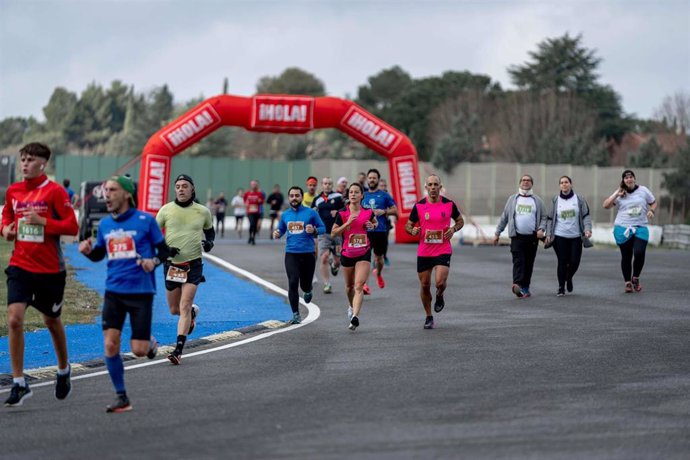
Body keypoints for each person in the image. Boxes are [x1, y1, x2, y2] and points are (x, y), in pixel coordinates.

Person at [78, 175, 169, 413]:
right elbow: (99, 254)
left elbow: (165, 250)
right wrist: (88, 251)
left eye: (112, 190)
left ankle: (149, 342)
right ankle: (121, 397)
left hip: (141, 292)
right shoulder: (106, 225)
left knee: (139, 351)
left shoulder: (146, 221)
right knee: (110, 345)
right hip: (113, 292)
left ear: (127, 194)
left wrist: (154, 261)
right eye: (105, 190)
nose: (106, 194)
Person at [1, 142, 79, 407]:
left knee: (51, 320)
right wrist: (7, 231)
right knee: (14, 319)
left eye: (30, 160)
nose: (24, 164)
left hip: (50, 270)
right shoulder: (13, 190)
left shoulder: (55, 192)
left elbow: (72, 226)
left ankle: (63, 369)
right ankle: (19, 381)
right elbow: (6, 219)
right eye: (22, 159)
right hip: (21, 266)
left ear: (43, 164)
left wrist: (43, 221)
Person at [156, 174, 215, 365]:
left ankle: (178, 350)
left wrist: (210, 243)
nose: (181, 189)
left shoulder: (203, 211)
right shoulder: (166, 210)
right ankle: (193, 314)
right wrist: (165, 250)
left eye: (185, 186)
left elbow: (210, 231)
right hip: (172, 265)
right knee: (174, 309)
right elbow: (154, 235)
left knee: (184, 305)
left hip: (193, 264)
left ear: (192, 189)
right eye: (178, 186)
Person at [405, 175, 464, 329]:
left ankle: (440, 294)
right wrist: (413, 230)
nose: (432, 187)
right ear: (426, 187)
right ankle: (428, 316)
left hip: (443, 248)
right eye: (430, 184)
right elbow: (408, 225)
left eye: (435, 184)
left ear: (440, 187)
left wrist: (453, 229)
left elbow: (460, 221)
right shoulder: (419, 206)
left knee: (439, 282)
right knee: (425, 285)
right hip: (424, 251)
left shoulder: (449, 204)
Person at [273, 186, 325, 324]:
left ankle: (308, 290)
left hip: (308, 254)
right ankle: (296, 314)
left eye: (297, 195)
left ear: (302, 197)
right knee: (293, 282)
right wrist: (277, 233)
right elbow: (281, 229)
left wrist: (314, 229)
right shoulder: (285, 215)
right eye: (291, 195)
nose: (294, 198)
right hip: (291, 254)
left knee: (305, 285)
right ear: (289, 198)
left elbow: (323, 228)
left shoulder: (311, 213)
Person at [331, 183, 377, 331]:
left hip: (364, 252)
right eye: (351, 192)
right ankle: (351, 306)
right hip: (347, 253)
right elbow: (334, 233)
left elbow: (374, 223)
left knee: (358, 286)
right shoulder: (343, 213)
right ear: (348, 195)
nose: (353, 194)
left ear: (362, 195)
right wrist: (348, 223)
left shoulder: (368, 212)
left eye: (357, 192)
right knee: (349, 287)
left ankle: (355, 316)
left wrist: (372, 226)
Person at [493, 174, 547, 298]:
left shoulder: (537, 201)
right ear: (519, 183)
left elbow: (544, 217)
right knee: (518, 260)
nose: (525, 182)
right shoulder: (513, 199)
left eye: (528, 180)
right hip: (517, 236)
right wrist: (497, 233)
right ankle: (517, 284)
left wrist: (541, 229)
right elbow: (505, 217)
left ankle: (525, 287)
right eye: (523, 180)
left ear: (532, 183)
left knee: (529, 263)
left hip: (532, 237)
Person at [602, 169, 657, 293]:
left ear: (634, 178)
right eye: (626, 178)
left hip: (640, 227)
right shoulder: (620, 192)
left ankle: (635, 277)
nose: (629, 179)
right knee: (626, 256)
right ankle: (627, 282)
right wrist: (616, 194)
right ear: (623, 180)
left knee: (639, 252)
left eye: (631, 177)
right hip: (623, 228)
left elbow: (653, 203)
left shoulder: (643, 190)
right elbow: (605, 205)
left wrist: (651, 211)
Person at [544, 176, 593, 296]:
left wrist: (587, 229)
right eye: (561, 183)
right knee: (562, 261)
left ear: (571, 184)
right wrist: (549, 234)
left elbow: (586, 215)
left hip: (576, 236)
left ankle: (569, 277)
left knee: (574, 261)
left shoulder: (579, 199)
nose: (564, 184)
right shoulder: (555, 200)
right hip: (559, 236)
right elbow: (550, 219)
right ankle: (561, 287)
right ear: (559, 186)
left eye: (566, 182)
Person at [363, 168, 398, 291]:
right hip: (365, 231)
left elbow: (395, 210)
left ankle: (377, 273)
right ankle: (365, 285)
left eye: (374, 178)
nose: (372, 180)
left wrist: (384, 211)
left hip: (380, 231)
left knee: (379, 258)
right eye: (370, 178)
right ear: (367, 179)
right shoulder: (363, 195)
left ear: (378, 180)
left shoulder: (384, 195)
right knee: (365, 258)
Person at [312, 177, 345, 294]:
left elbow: (346, 209)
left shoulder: (338, 197)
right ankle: (327, 284)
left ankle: (334, 265)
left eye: (329, 184)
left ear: (332, 185)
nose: (327, 185)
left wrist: (338, 212)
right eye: (325, 183)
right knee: (324, 257)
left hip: (337, 233)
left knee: (338, 260)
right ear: (322, 185)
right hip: (323, 234)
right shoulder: (317, 199)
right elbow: (312, 214)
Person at [378, 178, 393, 267]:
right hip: (375, 222)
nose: (383, 187)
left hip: (385, 222)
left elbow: (393, 208)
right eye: (381, 186)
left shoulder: (388, 195)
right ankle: (375, 258)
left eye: (384, 186)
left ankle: (384, 256)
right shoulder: (374, 195)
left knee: (385, 241)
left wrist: (386, 211)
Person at [244, 180, 264, 245]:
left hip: (256, 212)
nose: (254, 185)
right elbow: (244, 200)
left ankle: (253, 238)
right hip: (249, 212)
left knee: (255, 225)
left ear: (257, 185)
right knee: (252, 224)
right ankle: (250, 236)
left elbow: (262, 201)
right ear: (250, 185)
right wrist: (246, 204)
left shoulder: (259, 193)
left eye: (255, 184)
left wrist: (259, 201)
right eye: (252, 184)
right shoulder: (247, 193)